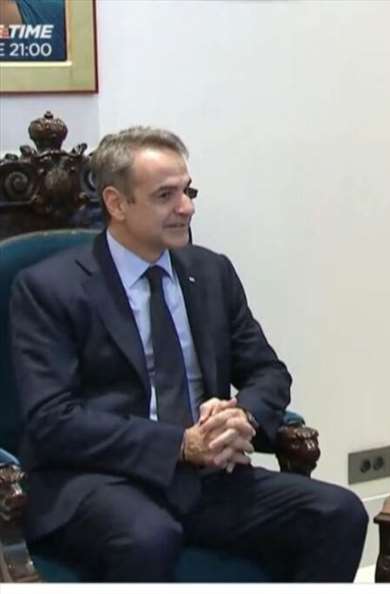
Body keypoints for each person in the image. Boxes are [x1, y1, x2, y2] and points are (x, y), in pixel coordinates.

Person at [9, 127, 368, 581]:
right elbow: (53, 420)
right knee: (149, 537)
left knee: (338, 512)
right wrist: (179, 444)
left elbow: (268, 372)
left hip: (206, 478)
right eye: (166, 196)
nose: (186, 208)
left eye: (188, 191)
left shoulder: (210, 272)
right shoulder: (50, 288)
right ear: (116, 203)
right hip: (99, 479)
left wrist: (242, 417)